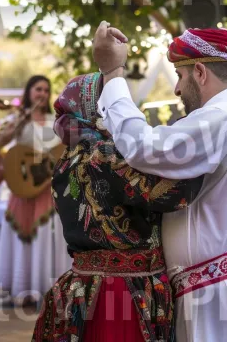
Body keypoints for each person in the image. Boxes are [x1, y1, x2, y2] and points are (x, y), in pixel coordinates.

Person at [95, 23, 227, 341]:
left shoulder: (222, 119)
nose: (177, 89)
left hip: (218, 299)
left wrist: (112, 74)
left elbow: (144, 148)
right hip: (223, 292)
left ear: (199, 71)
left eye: (180, 77)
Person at [32, 72, 204, 341]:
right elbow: (173, 194)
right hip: (122, 292)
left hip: (82, 286)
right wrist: (196, 138)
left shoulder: (66, 160)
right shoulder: (106, 155)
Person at [0, 75, 72, 306]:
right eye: (38, 89)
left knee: (45, 237)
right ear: (28, 92)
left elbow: (63, 152)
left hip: (46, 187)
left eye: (46, 90)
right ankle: (20, 289)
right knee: (21, 237)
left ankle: (44, 290)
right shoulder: (16, 119)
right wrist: (18, 122)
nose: (42, 94)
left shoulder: (55, 120)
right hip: (22, 187)